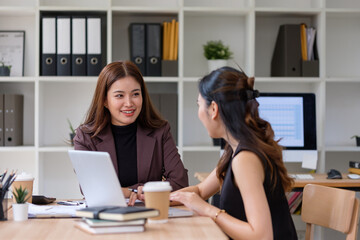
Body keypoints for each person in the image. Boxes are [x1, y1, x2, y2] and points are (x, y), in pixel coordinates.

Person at [170, 67, 297, 240]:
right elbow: (200, 191)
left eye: (199, 104)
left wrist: (208, 210)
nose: (199, 112)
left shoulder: (245, 159)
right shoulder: (236, 148)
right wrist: (156, 198)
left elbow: (261, 236)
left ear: (213, 109)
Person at [74, 61, 188, 205]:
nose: (129, 103)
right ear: (104, 100)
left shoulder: (160, 131)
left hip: (151, 214)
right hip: (106, 216)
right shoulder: (85, 137)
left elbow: (180, 183)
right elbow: (91, 188)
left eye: (135, 94)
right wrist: (139, 190)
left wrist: (129, 191)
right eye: (119, 96)